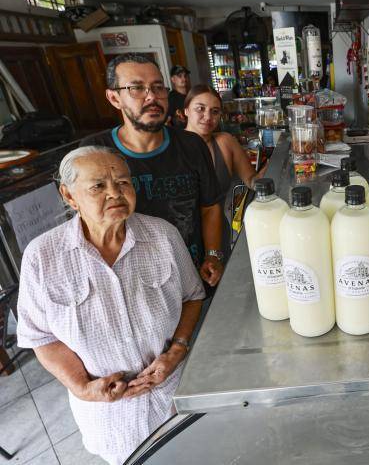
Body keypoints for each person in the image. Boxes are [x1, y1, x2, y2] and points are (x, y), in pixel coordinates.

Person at [15, 146, 205, 465]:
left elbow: (192, 296)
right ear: (69, 196)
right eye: (98, 186)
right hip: (112, 420)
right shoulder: (42, 257)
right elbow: (41, 337)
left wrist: (177, 350)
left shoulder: (163, 235)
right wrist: (82, 387)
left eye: (123, 183)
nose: (115, 193)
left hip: (173, 397)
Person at [82, 53, 224, 287]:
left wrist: (213, 255)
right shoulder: (95, 153)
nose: (152, 97)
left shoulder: (191, 145)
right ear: (114, 98)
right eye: (137, 88)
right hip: (134, 283)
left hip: (195, 275)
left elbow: (209, 207)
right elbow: (89, 223)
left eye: (158, 87)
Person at [183, 84, 262, 254]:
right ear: (186, 110)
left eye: (215, 111)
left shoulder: (225, 142)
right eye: (200, 109)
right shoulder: (174, 148)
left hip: (220, 236)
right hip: (184, 241)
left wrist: (277, 160)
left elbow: (251, 180)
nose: (208, 117)